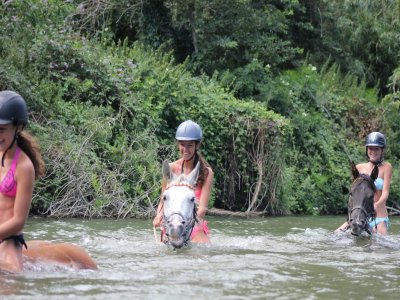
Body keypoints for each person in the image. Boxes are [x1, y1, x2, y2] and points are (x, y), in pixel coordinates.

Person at [0, 90, 97, 272]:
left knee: (11, 277)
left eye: (2, 130)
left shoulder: (23, 167)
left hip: (8, 241)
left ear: (18, 127)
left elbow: (18, 221)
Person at [153, 120, 214, 243]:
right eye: (182, 144)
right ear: (178, 145)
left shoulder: (207, 173)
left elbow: (202, 209)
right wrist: (158, 216)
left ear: (197, 145)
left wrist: (186, 226)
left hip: (192, 222)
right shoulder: (171, 168)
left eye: (190, 145)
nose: (185, 149)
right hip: (172, 221)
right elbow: (163, 200)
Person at [336, 131, 392, 235]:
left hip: (378, 216)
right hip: (360, 214)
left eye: (377, 149)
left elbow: (385, 193)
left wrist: (376, 205)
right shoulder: (359, 168)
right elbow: (354, 193)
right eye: (370, 148)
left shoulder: (387, 167)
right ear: (367, 149)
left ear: (382, 150)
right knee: (335, 235)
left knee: (382, 245)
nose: (373, 151)